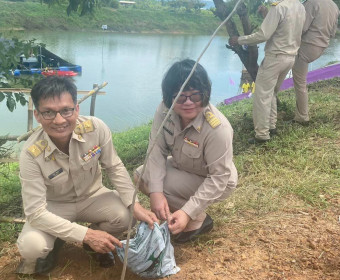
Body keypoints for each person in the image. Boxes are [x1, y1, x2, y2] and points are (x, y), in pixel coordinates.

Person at [16, 76, 157, 275]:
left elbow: (114, 166)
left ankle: (95, 244)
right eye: (48, 112)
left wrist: (135, 204)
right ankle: (56, 242)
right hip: (54, 206)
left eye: (66, 110)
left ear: (77, 109)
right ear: (37, 115)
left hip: (93, 196)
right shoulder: (31, 153)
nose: (59, 120)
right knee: (32, 246)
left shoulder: (96, 128)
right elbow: (36, 213)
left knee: (127, 216)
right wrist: (86, 234)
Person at [134, 59, 238, 244]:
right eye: (180, 96)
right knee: (141, 176)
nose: (188, 103)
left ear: (205, 94)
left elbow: (219, 177)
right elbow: (156, 150)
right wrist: (155, 193)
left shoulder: (217, 128)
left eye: (195, 96)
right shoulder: (165, 110)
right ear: (169, 97)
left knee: (160, 187)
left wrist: (187, 212)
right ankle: (180, 215)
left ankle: (196, 219)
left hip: (216, 180)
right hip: (182, 166)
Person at [228, 0, 306, 144]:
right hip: (290, 57)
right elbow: (283, 29)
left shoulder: (278, 7)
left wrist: (239, 40)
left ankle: (262, 135)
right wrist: (267, 15)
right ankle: (271, 126)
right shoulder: (300, 6)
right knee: (272, 93)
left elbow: (263, 35)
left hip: (275, 58)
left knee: (262, 96)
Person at [292, 0, 339, 125]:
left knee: (300, 83)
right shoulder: (334, 5)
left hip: (307, 46)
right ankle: (300, 114)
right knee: (301, 81)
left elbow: (302, 27)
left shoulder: (312, 3)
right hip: (322, 47)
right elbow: (333, 33)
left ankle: (302, 117)